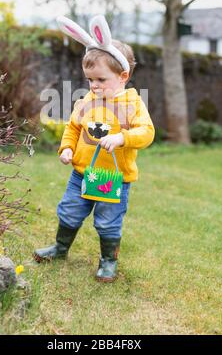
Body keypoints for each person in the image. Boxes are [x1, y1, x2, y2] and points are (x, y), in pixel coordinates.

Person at [34, 15, 155, 282]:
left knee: (108, 220)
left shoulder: (133, 104)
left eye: (101, 79)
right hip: (81, 174)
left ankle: (108, 261)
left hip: (113, 178)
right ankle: (60, 248)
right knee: (69, 211)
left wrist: (123, 138)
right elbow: (74, 128)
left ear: (123, 76)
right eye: (90, 80)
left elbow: (147, 132)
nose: (94, 85)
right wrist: (66, 148)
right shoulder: (87, 100)